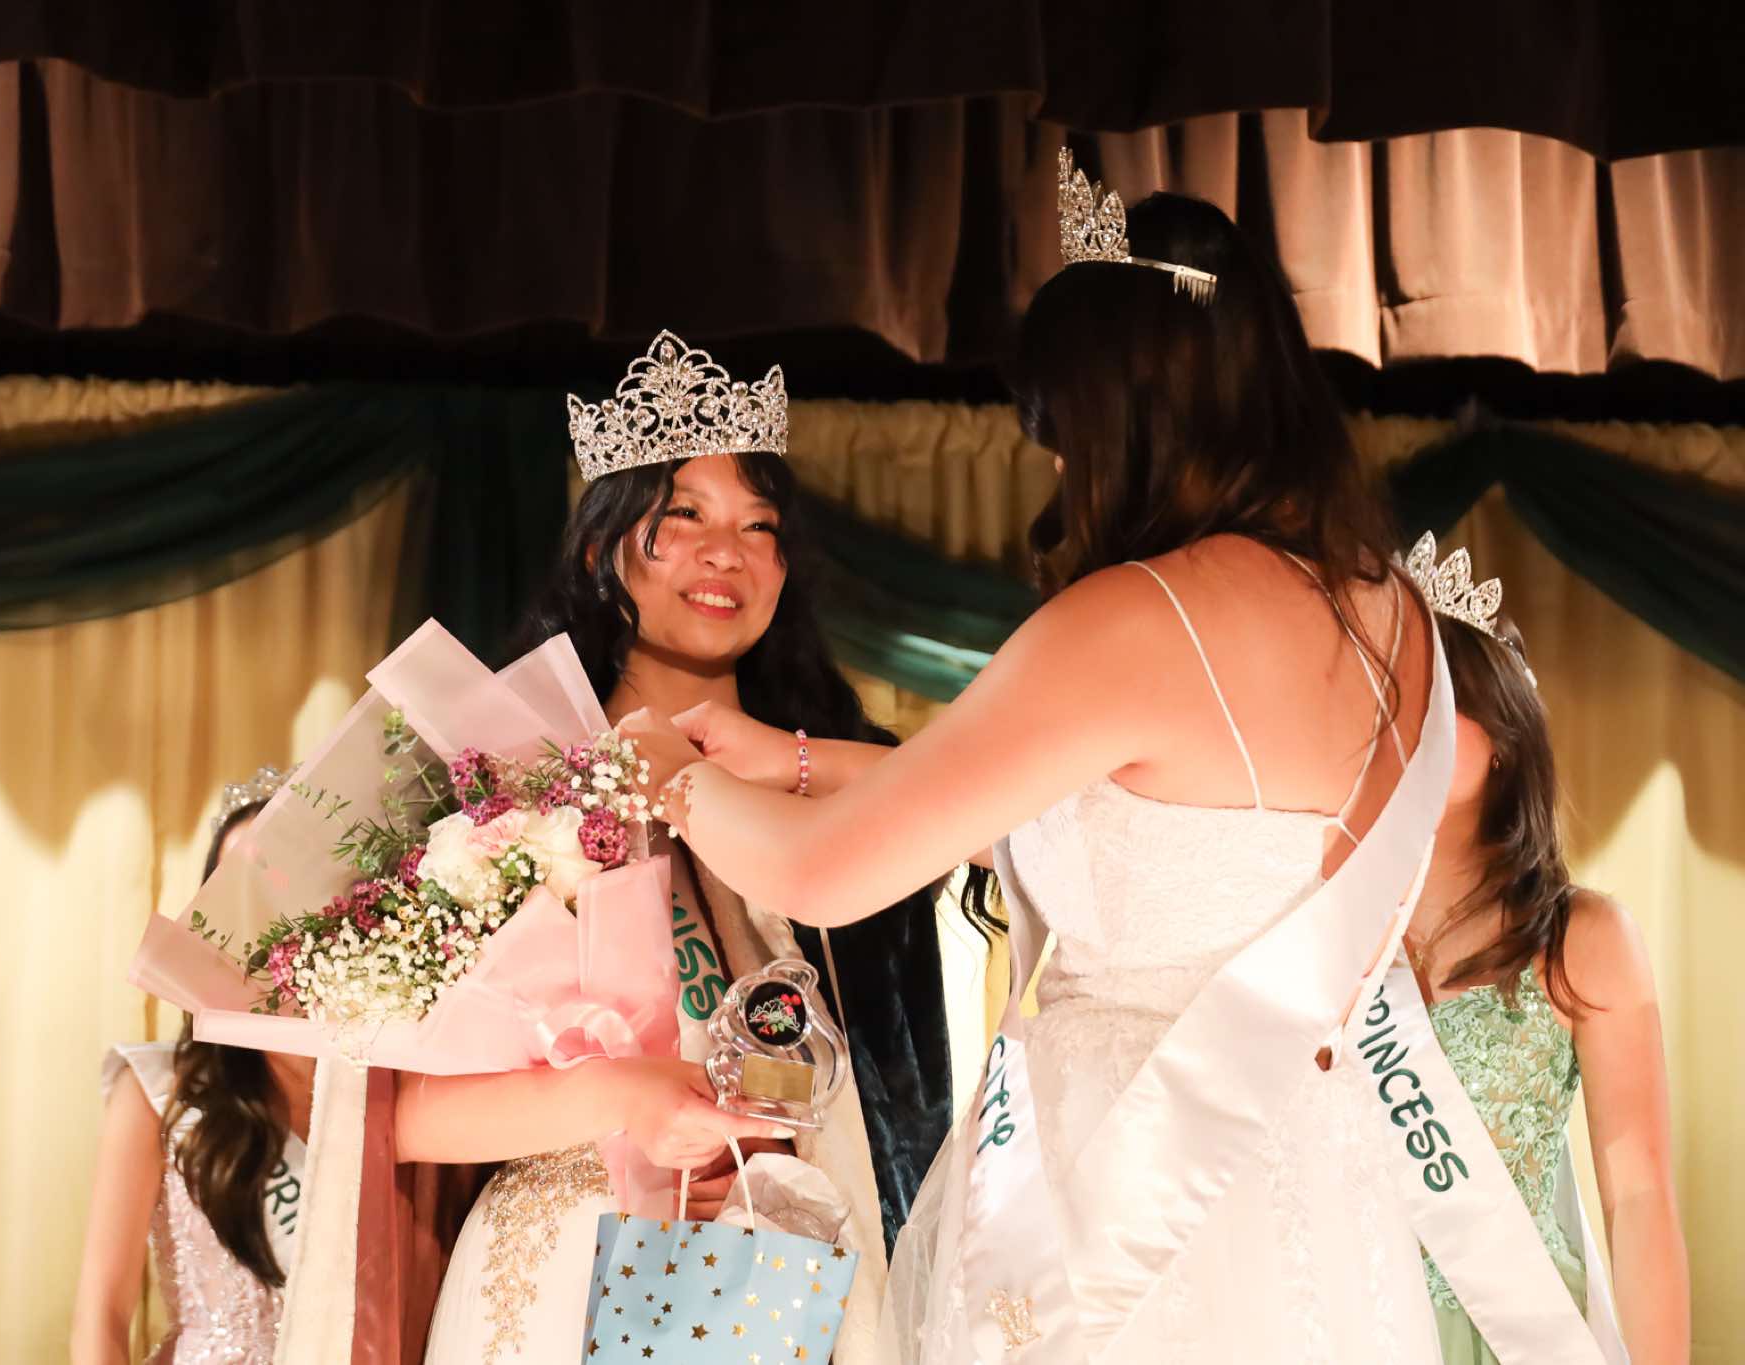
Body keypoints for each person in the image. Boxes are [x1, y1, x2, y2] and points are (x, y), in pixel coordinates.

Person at [626, 183, 1460, 1359]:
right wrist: (796, 756)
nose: (1061, 464)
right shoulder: (1394, 619)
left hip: (1130, 1174)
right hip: (1312, 1171)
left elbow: (819, 876)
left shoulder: (1140, 614)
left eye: (1061, 428)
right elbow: (1135, 833)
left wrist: (663, 761)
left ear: (1117, 412)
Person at [416, 329, 942, 1363]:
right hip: (561, 1274)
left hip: (788, 1267)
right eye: (685, 515)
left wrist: (787, 763)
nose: (725, 552)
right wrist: (619, 1100)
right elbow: (401, 1117)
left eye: (759, 525)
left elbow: (975, 821)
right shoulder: (511, 779)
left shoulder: (816, 785)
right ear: (598, 549)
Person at [1400, 538, 1688, 1363]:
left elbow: (1639, 1195)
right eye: (1389, 699)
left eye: (1435, 695)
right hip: (1350, 1322)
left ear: (1502, 732)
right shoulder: (1327, 927)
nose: (1406, 723)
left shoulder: (1580, 939)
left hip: (1516, 1335)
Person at [71, 768, 316, 1365]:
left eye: (278, 879)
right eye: (234, 890)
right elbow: (102, 1314)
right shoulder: (161, 1091)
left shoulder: (385, 1085)